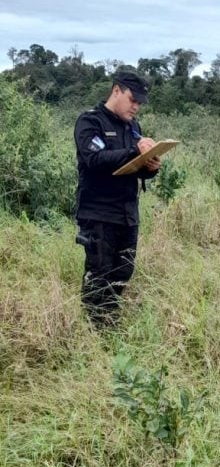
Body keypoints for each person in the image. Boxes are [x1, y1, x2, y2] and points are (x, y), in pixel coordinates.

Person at [74, 70, 160, 326]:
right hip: (98, 214)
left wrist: (150, 166)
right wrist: (134, 149)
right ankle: (93, 330)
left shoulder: (133, 127)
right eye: (133, 99)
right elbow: (95, 160)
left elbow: (135, 166)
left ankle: (109, 320)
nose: (136, 107)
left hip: (127, 213)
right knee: (99, 273)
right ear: (116, 91)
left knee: (123, 271)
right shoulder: (90, 122)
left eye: (140, 103)